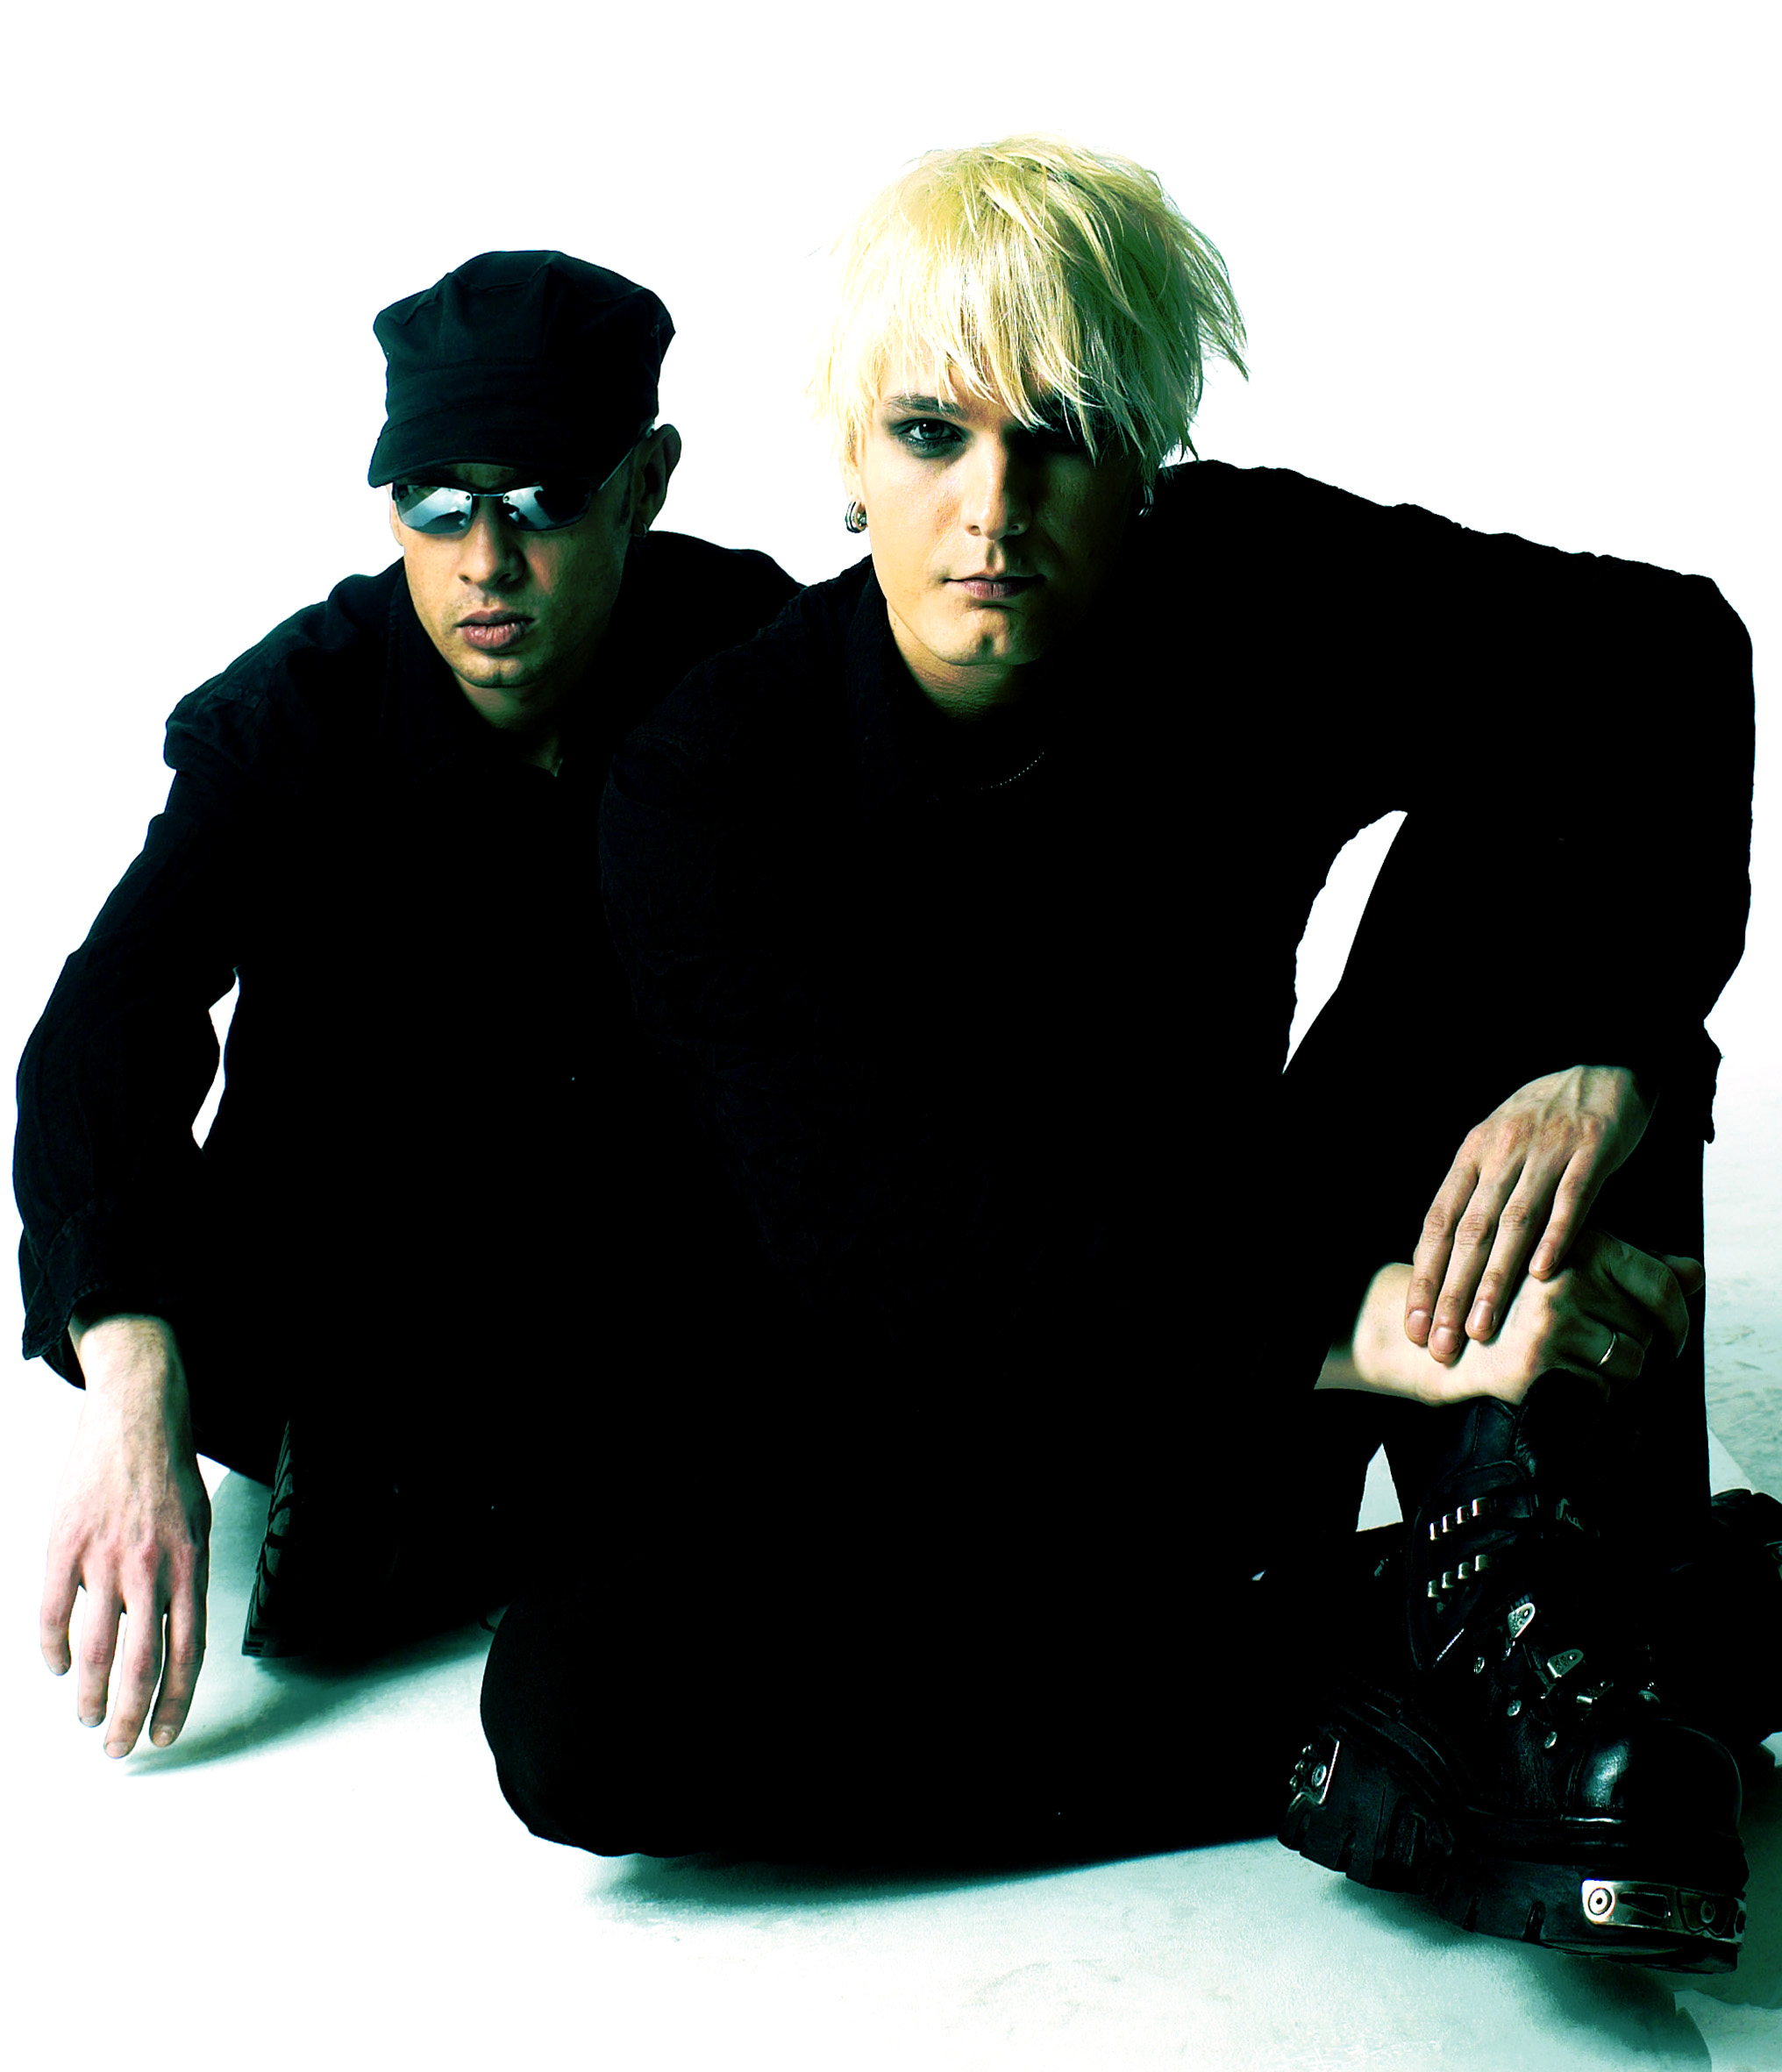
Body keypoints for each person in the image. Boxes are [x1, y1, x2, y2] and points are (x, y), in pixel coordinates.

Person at [480, 140, 1774, 1972]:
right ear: (849, 456)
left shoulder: (1238, 584)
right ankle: (1519, 1641)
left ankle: (1535, 1618)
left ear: (1145, 458)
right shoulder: (710, 777)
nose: (994, 507)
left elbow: (1658, 651)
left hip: (1238, 1364)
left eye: (1062, 438)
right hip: (938, 1420)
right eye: (931, 435)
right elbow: (894, 1254)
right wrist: (1366, 1326)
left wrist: (1616, 1045)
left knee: (1543, 846)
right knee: (584, 1707)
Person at [15, 248, 799, 1759]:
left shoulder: (759, 661)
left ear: (645, 485)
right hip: (344, 1282)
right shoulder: (295, 711)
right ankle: (439, 1484)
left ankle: (458, 1503)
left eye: (543, 501)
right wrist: (132, 1387)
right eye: (436, 502)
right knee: (161, 1258)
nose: (484, 561)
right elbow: (104, 1027)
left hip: (642, 1274)